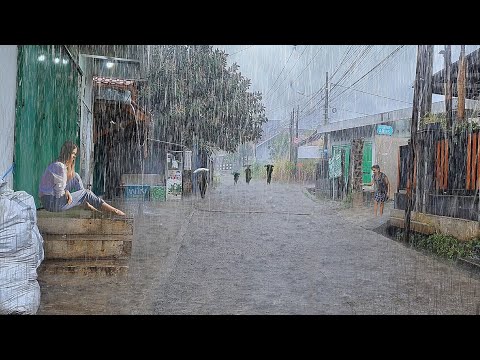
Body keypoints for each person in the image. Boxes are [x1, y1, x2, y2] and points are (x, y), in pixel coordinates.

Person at [39, 141, 126, 216]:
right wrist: (66, 192)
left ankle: (86, 204)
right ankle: (114, 211)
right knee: (86, 193)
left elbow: (56, 189)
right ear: (67, 153)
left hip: (50, 200)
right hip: (51, 203)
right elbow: (59, 194)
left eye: (75, 154)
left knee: (75, 176)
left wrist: (66, 192)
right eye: (73, 153)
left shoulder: (59, 165)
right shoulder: (60, 167)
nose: (74, 156)